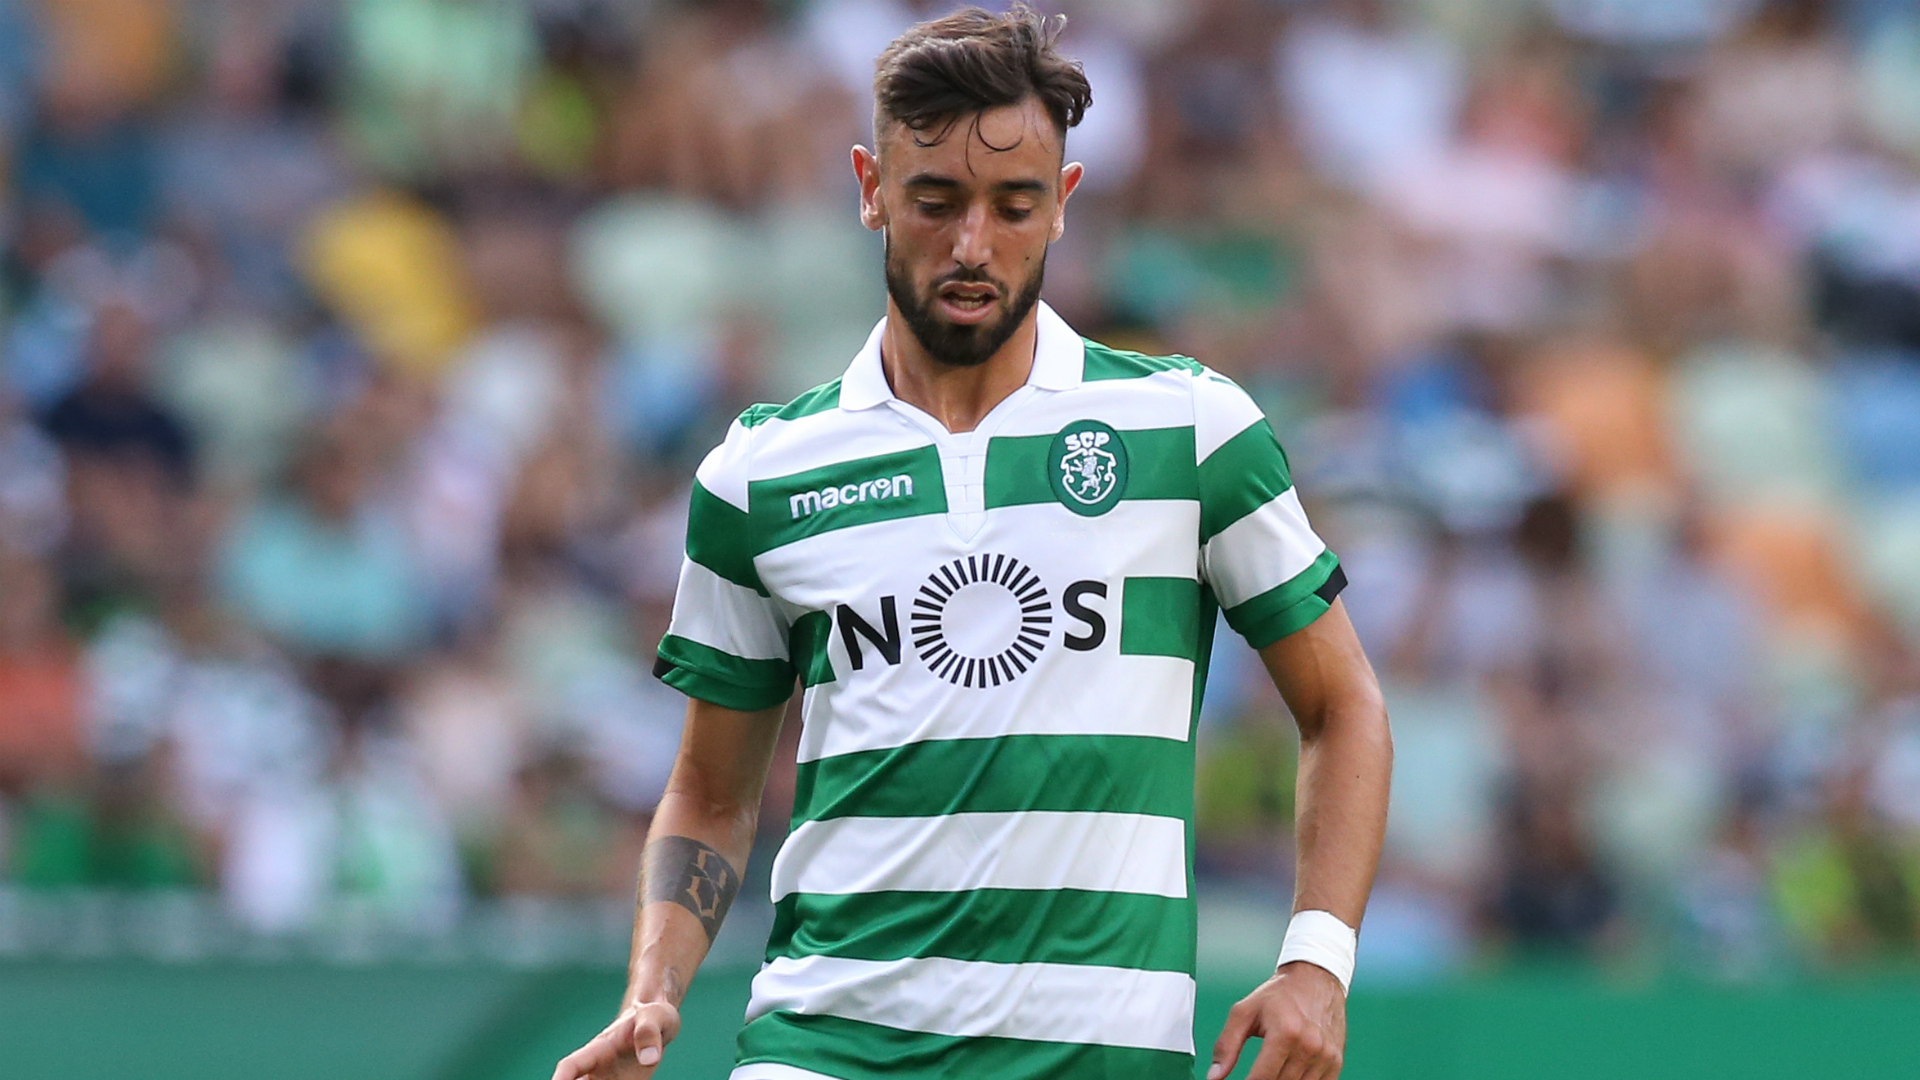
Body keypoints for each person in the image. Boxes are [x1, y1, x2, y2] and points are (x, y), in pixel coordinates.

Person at [553, 7, 1391, 1080]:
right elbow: (711, 795)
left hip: (1097, 1057)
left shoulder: (1191, 430)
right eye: (936, 200)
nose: (972, 245)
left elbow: (1343, 706)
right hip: (828, 1043)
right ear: (870, 188)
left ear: (1064, 203)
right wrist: (652, 992)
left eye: (1014, 205)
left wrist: (1318, 961)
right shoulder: (759, 474)